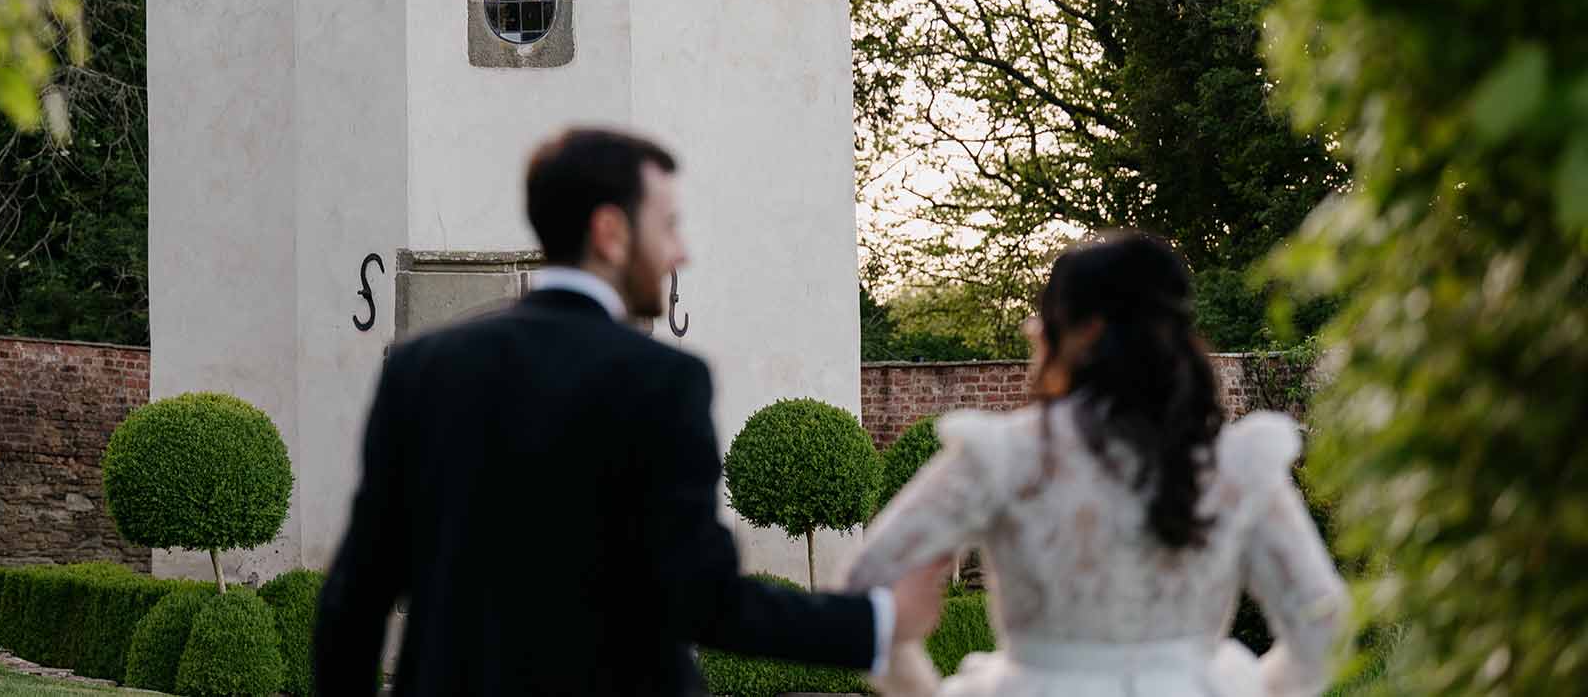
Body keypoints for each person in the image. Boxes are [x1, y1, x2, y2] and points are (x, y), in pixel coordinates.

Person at [315, 127, 942, 697]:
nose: (680, 252)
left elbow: (356, 595)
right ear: (611, 233)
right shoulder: (661, 380)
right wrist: (878, 620)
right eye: (667, 226)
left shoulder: (420, 369)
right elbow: (701, 597)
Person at [847, 230, 1350, 697]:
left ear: (1081, 332)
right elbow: (1323, 621)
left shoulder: (1003, 454)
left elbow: (865, 593)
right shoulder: (1233, 462)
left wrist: (924, 693)